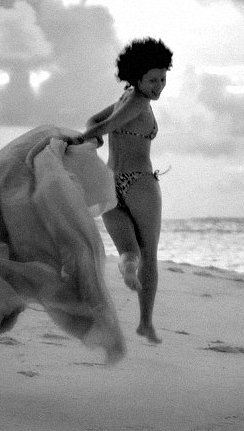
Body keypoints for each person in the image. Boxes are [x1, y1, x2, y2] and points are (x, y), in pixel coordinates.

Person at [61, 37, 172, 344]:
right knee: (149, 253)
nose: (159, 87)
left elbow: (97, 121)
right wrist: (86, 138)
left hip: (109, 182)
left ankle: (128, 268)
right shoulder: (138, 102)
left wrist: (91, 138)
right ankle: (145, 323)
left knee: (129, 251)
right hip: (139, 182)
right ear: (137, 78)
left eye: (163, 79)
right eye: (152, 80)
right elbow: (103, 126)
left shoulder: (125, 97)